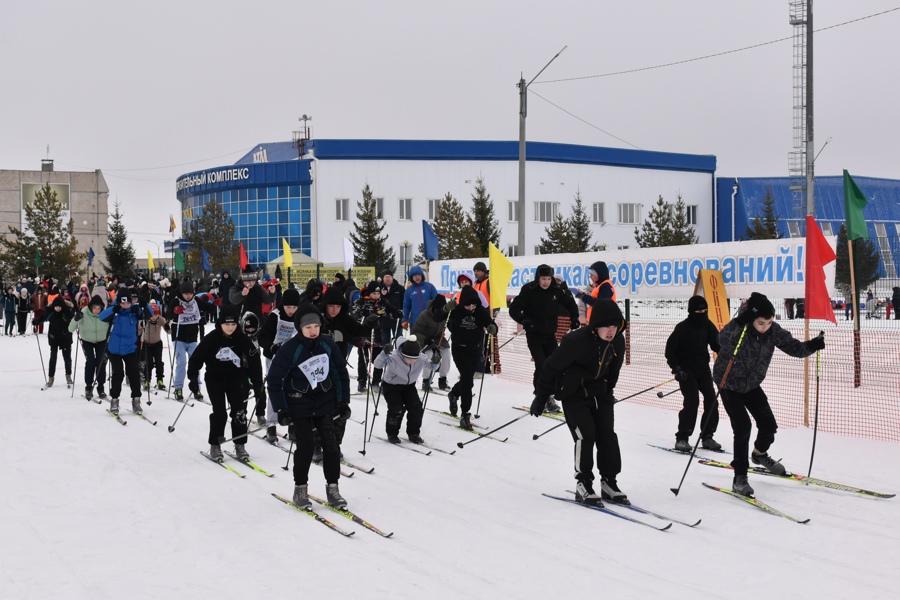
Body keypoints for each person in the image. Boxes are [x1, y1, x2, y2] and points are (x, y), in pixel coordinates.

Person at [714, 292, 824, 497]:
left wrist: (812, 346)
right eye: (761, 323)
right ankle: (739, 477)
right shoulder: (740, 328)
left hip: (752, 384)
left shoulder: (773, 331)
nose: (765, 327)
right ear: (751, 319)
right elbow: (722, 339)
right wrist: (739, 321)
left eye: (769, 322)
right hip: (728, 382)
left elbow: (795, 348)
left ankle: (759, 454)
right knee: (743, 427)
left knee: (768, 425)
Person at [530, 299, 628, 506]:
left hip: (600, 392)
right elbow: (550, 367)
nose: (611, 331)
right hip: (573, 393)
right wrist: (541, 396)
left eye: (614, 326)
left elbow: (614, 370)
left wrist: (609, 392)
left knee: (607, 435)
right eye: (606, 326)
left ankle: (609, 481)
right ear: (595, 325)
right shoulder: (576, 341)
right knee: (586, 435)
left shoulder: (617, 341)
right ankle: (583, 483)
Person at [266, 304, 351, 510]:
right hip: (299, 403)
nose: (313, 331)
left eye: (316, 326)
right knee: (305, 446)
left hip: (323, 402)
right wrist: (281, 409)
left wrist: (342, 402)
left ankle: (333, 488)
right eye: (308, 327)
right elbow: (275, 379)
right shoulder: (291, 349)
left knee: (331, 446)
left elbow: (340, 373)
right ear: (300, 328)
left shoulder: (327, 344)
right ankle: (300, 488)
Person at [188, 306, 261, 462]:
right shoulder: (211, 338)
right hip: (215, 379)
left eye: (233, 324)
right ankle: (215, 444)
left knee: (239, 412)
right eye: (227, 324)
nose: (230, 328)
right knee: (220, 412)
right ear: (220, 323)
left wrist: (258, 384)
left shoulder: (242, 338)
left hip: (236, 378)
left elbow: (254, 362)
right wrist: (193, 379)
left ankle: (240, 444)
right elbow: (196, 359)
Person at [509, 264, 579, 411]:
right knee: (541, 365)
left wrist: (575, 318)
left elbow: (570, 303)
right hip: (534, 335)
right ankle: (543, 396)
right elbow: (514, 308)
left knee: (554, 365)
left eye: (548, 278)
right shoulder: (529, 290)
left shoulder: (556, 290)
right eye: (543, 279)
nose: (546, 282)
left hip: (550, 335)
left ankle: (549, 396)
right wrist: (523, 320)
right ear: (538, 278)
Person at [665, 296, 723, 452]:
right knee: (692, 401)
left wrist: (728, 355)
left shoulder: (707, 325)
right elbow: (670, 351)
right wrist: (677, 369)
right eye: (698, 311)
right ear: (691, 311)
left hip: (702, 369)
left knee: (712, 400)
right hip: (686, 371)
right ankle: (682, 438)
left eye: (705, 311)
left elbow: (717, 344)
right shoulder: (682, 328)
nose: (702, 313)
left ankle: (707, 436)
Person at [447, 286, 495, 429]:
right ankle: (465, 414)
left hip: (474, 350)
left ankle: (454, 394)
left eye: (473, 305)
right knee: (468, 380)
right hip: (459, 349)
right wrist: (445, 308)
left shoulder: (480, 311)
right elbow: (439, 318)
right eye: (468, 305)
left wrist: (493, 328)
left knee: (468, 381)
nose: (471, 308)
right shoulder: (455, 311)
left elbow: (490, 324)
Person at [258, 287, 302, 441]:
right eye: (289, 307)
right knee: (275, 390)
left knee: (293, 390)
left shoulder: (300, 317)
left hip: (293, 359)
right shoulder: (274, 316)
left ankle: (292, 426)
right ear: (283, 305)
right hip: (275, 359)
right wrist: (272, 347)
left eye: (294, 307)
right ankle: (271, 425)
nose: (291, 310)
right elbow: (262, 337)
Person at [99, 290, 153, 415]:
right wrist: (114, 309)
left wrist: (145, 305)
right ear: (119, 302)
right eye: (123, 303)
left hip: (129, 348)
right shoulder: (115, 311)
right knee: (118, 373)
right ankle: (114, 399)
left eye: (128, 303)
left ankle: (136, 399)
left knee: (133, 373)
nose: (125, 306)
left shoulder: (134, 311)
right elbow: (101, 317)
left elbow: (149, 314)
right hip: (114, 349)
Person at [166, 279, 215, 401]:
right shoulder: (176, 301)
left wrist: (217, 306)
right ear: (182, 293)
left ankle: (196, 387)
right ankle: (178, 388)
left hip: (192, 338)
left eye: (190, 293)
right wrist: (174, 311)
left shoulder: (195, 301)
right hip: (179, 338)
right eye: (186, 294)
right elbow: (168, 314)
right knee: (181, 362)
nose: (188, 296)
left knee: (195, 363)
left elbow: (207, 307)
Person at [374, 337, 429, 444]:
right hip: (391, 386)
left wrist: (436, 361)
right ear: (403, 355)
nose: (412, 362)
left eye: (415, 359)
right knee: (397, 408)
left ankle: (414, 433)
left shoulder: (421, 358)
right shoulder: (393, 356)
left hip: (409, 386)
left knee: (416, 407)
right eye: (409, 359)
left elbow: (432, 366)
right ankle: (392, 433)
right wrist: (383, 353)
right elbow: (377, 364)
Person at [350, 281, 401, 394]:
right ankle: (362, 382)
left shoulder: (383, 302)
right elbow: (352, 315)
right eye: (374, 293)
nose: (377, 296)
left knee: (378, 359)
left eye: (378, 294)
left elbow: (390, 310)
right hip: (363, 334)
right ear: (369, 293)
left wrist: (397, 312)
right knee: (363, 359)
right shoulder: (361, 302)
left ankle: (376, 382)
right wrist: (360, 313)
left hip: (377, 335)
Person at [410, 294, 456, 392]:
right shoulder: (425, 315)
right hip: (425, 339)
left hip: (438, 338)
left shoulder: (445, 314)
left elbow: (450, 325)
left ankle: (443, 379)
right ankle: (426, 380)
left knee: (447, 352)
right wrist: (424, 339)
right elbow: (414, 332)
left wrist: (453, 328)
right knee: (429, 354)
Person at [69, 295, 110, 400]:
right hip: (87, 340)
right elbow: (70, 329)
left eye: (99, 308)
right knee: (91, 361)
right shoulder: (84, 312)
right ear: (91, 307)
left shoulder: (106, 314)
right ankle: (88, 387)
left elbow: (112, 325)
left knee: (101, 362)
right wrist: (75, 318)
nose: (97, 311)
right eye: (94, 308)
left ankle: (100, 387)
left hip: (101, 340)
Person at [34, 295, 75, 387]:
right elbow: (42, 317)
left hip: (66, 337)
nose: (58, 309)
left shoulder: (67, 311)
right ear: (54, 306)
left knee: (67, 357)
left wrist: (78, 318)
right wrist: (36, 321)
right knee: (53, 357)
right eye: (56, 307)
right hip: (54, 337)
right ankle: (50, 378)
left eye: (60, 307)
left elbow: (74, 319)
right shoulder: (50, 311)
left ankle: (68, 376)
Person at [140, 301, 167, 391]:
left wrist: (168, 327)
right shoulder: (145, 320)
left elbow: (169, 331)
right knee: (149, 363)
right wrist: (140, 326)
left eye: (156, 315)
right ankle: (147, 380)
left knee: (159, 362)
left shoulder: (160, 319)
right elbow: (138, 330)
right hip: (147, 344)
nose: (154, 317)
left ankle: (160, 379)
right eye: (152, 315)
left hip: (157, 344)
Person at [402, 265, 437, 331]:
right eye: (415, 276)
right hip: (415, 323)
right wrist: (404, 319)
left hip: (429, 323)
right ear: (412, 277)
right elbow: (406, 306)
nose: (417, 277)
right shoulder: (409, 290)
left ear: (422, 276)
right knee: (415, 341)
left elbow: (437, 303)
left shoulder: (430, 287)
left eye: (418, 275)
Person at [379, 270, 405, 344]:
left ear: (392, 278)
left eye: (389, 276)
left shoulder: (400, 288)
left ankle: (399, 355)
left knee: (399, 341)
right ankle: (386, 355)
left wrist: (402, 314)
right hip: (383, 320)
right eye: (385, 277)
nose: (387, 278)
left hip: (397, 319)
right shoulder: (378, 289)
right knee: (384, 342)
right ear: (383, 278)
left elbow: (404, 303)